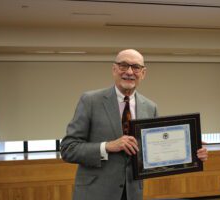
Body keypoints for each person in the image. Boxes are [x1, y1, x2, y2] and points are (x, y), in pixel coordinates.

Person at [60, 49, 208, 200]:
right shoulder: (90, 101)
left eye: (136, 67)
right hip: (95, 193)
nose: (130, 72)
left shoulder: (150, 107)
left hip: (133, 194)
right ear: (114, 69)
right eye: (124, 65)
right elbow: (68, 148)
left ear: (143, 73)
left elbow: (157, 151)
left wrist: (191, 153)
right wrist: (108, 146)